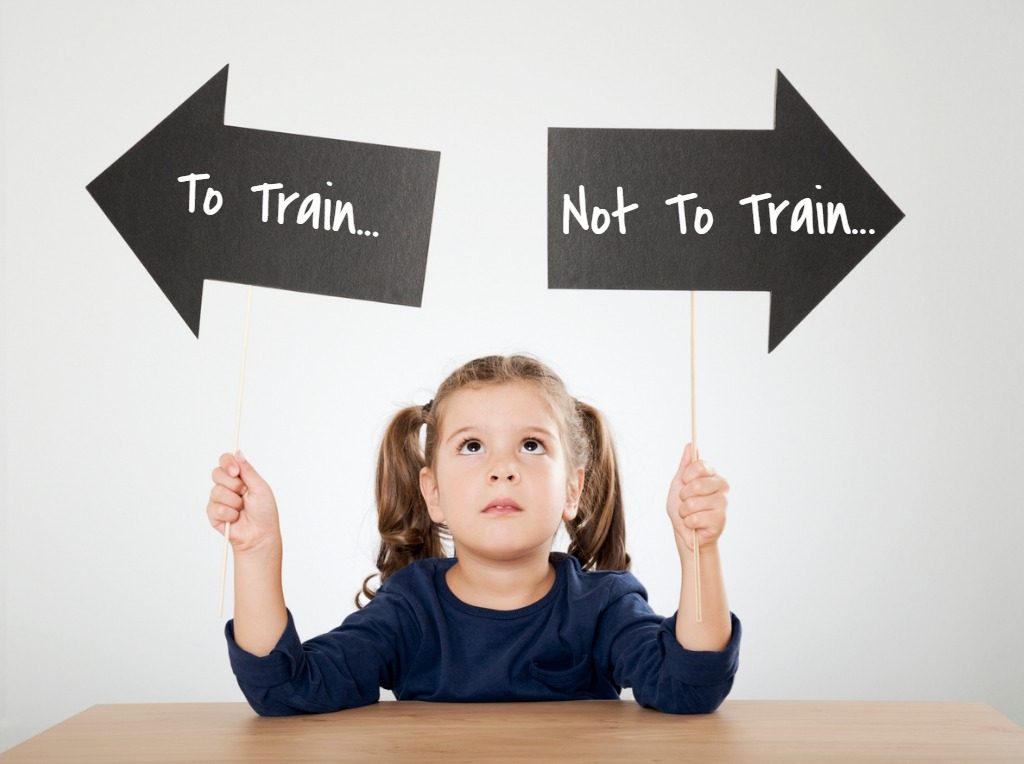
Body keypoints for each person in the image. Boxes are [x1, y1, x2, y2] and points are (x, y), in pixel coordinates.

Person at [206, 354, 740, 715]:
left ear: (573, 490)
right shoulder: (410, 607)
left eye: (531, 446)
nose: (502, 468)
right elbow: (285, 691)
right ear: (432, 491)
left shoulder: (603, 606)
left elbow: (690, 687)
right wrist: (256, 551)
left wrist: (700, 548)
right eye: (471, 446)